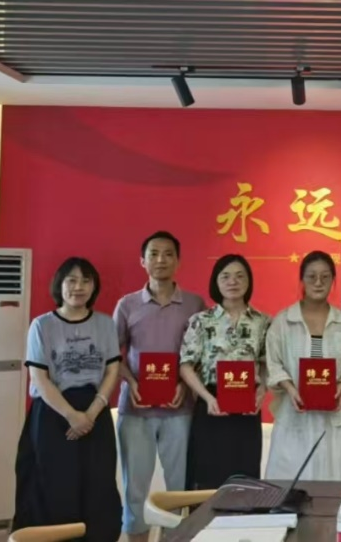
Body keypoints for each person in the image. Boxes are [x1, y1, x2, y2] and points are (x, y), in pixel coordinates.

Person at [14, 257, 121, 542]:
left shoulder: (105, 324)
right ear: (59, 285)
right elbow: (39, 378)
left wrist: (91, 414)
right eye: (71, 280)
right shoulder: (42, 325)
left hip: (95, 411)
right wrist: (72, 416)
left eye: (86, 281)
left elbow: (112, 371)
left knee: (97, 485)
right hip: (52, 413)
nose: (79, 287)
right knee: (53, 484)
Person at [113, 232, 205, 542]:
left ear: (178, 261)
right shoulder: (127, 305)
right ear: (143, 261)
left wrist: (184, 385)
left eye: (168, 254)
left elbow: (202, 354)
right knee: (135, 489)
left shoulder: (194, 303)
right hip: (135, 410)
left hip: (180, 410)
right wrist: (131, 382)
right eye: (153, 254)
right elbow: (113, 356)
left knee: (179, 489)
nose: (161, 260)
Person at [265, 250, 341, 480]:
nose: (318, 282)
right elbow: (273, 363)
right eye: (312, 276)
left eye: (325, 277)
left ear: (333, 280)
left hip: (334, 414)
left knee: (336, 482)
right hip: (295, 413)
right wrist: (290, 388)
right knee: (292, 483)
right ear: (302, 280)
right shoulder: (283, 321)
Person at [179, 254, 271, 488]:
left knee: (245, 479)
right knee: (209, 477)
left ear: (249, 281)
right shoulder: (201, 320)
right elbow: (186, 365)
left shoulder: (262, 321)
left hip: (247, 408)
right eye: (226, 276)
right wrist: (207, 398)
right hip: (212, 406)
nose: (233, 282)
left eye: (240, 276)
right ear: (216, 282)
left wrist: (262, 391)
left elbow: (267, 363)